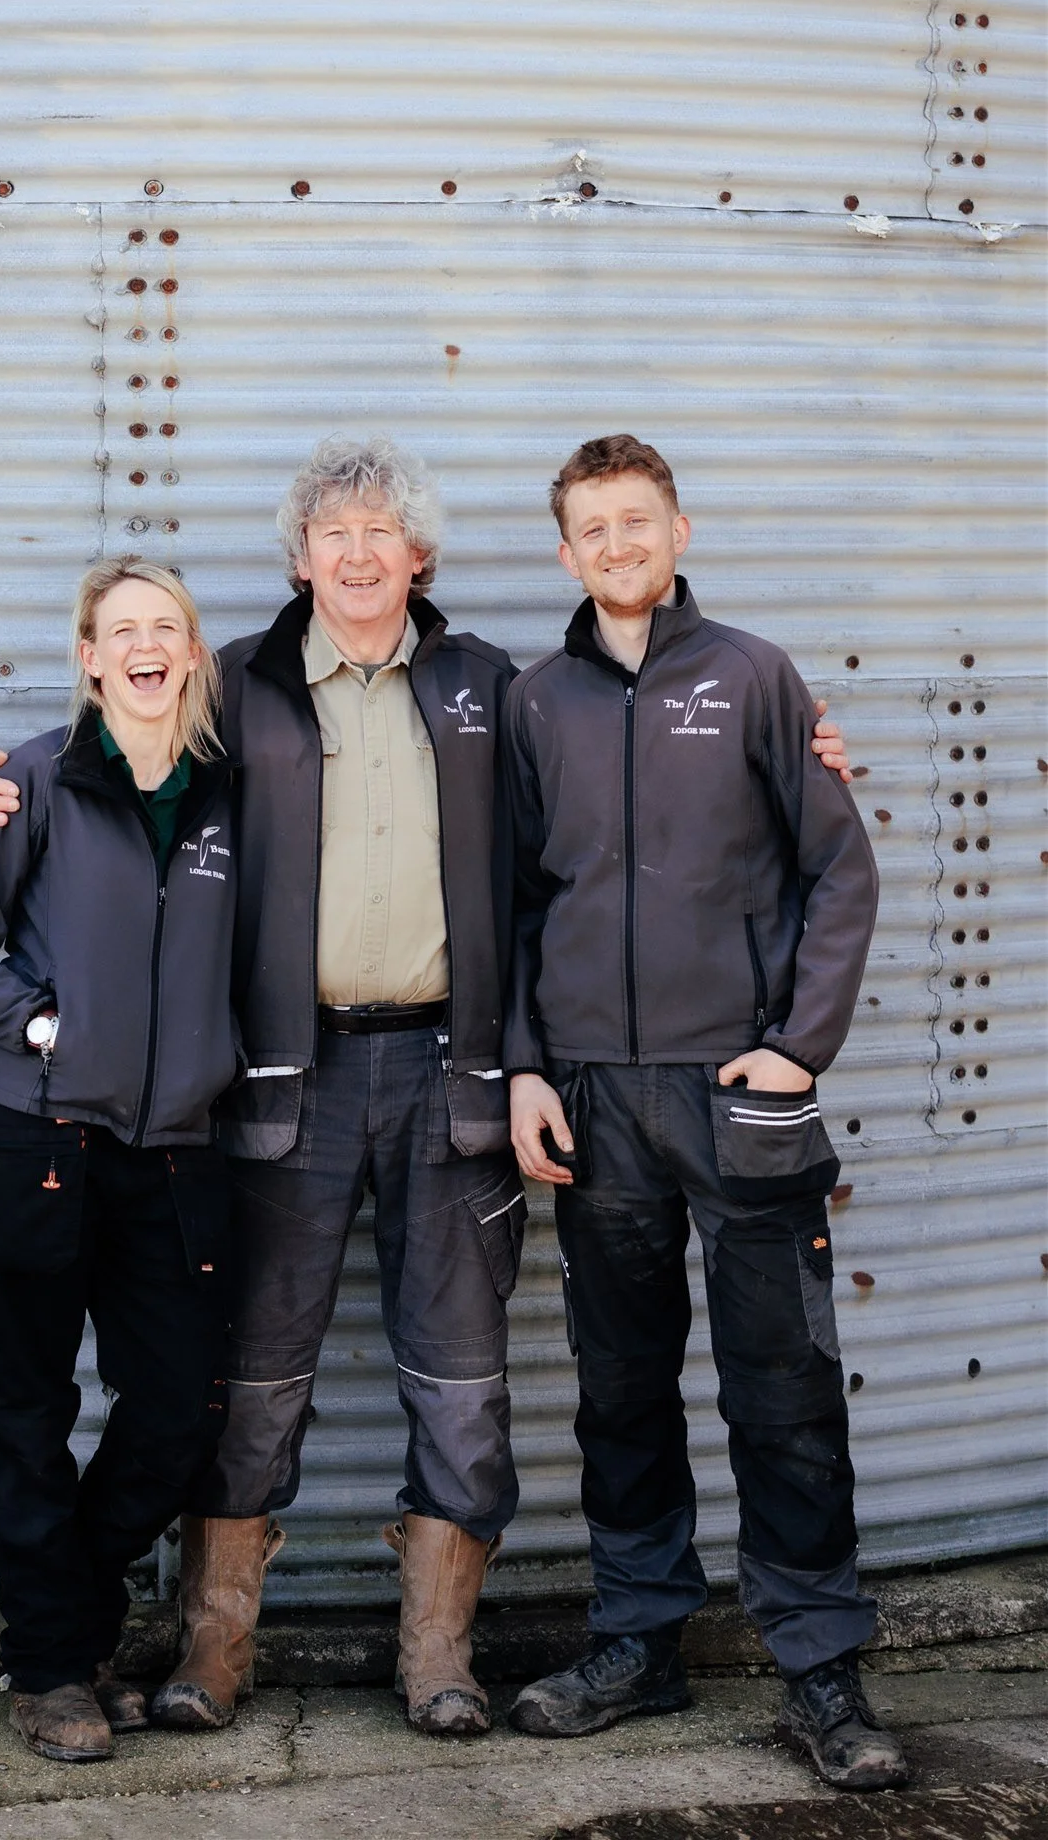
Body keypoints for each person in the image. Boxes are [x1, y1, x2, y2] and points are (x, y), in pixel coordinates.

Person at [0, 437, 853, 1741]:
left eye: (383, 532)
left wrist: (796, 737)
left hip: (453, 1079)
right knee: (252, 1378)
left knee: (461, 1377)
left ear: (418, 555)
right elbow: (116, 749)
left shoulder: (499, 689)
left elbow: (581, 834)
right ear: (299, 559)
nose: (360, 554)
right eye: (334, 535)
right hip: (281, 1081)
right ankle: (213, 1650)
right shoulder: (233, 687)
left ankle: (440, 1658)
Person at [501, 435, 905, 1793]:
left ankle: (817, 1667)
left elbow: (837, 874)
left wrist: (799, 1046)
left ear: (677, 528)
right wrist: (526, 1067)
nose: (616, 547)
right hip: (597, 1103)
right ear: (565, 553)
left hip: (740, 1096)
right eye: (591, 530)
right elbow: (509, 904)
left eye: (636, 521)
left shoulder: (752, 677)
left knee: (782, 1390)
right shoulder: (535, 702)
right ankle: (640, 1639)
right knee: (620, 1391)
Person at [0, 558, 238, 1765]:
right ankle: (54, 1667)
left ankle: (75, 1617)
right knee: (30, 1404)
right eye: (122, 630)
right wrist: (45, 1025)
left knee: (178, 1406)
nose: (147, 645)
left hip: (176, 1151)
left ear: (194, 654)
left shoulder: (224, 794)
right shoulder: (35, 780)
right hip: (32, 1139)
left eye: (169, 627)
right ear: (92, 657)